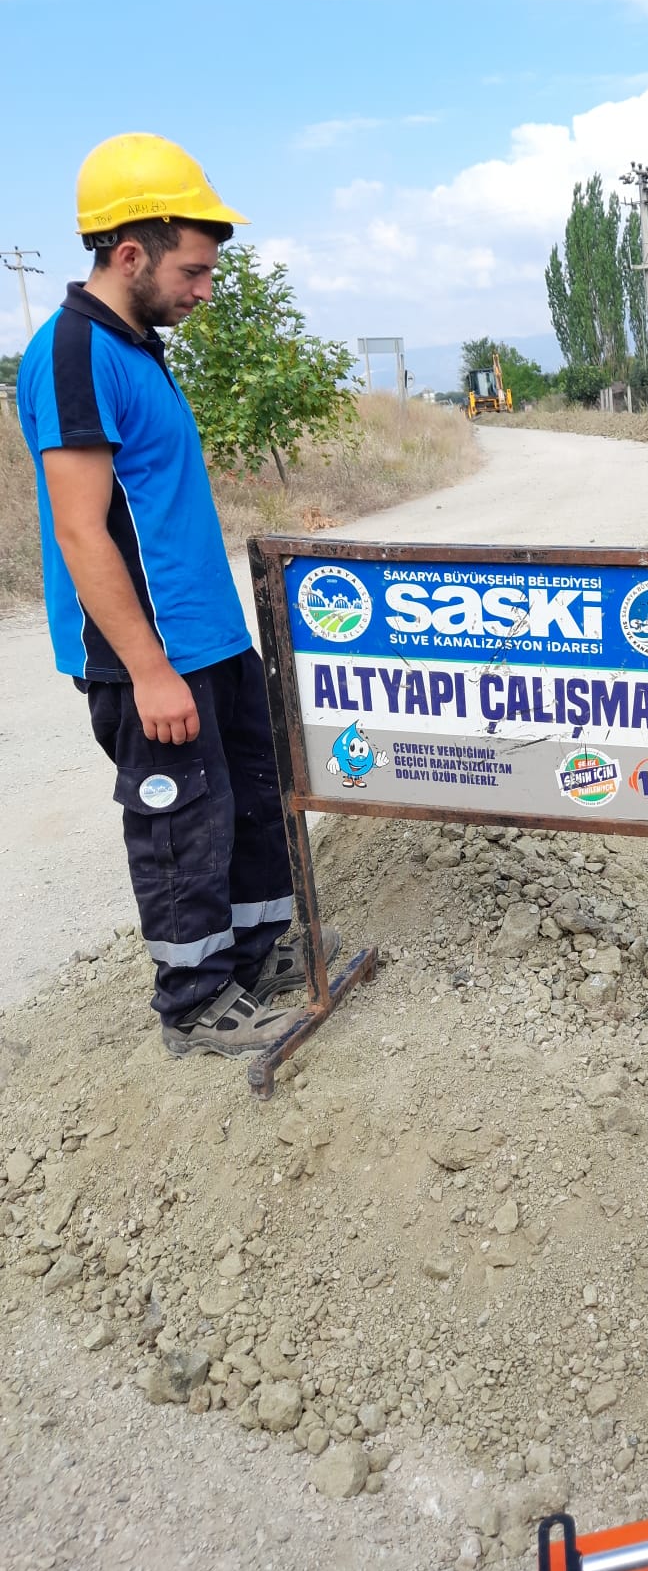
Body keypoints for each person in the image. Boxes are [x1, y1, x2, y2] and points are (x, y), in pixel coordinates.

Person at [16, 133, 330, 1059]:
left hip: (207, 638)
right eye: (192, 271)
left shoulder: (137, 346)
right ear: (129, 254)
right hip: (144, 656)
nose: (202, 289)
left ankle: (256, 956)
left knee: (249, 797)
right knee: (178, 820)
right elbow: (81, 528)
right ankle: (195, 1001)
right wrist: (149, 672)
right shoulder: (74, 351)